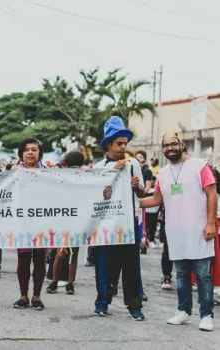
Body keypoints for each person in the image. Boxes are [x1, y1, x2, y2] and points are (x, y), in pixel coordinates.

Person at [140, 131, 216, 331]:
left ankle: (207, 315)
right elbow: (156, 200)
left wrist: (210, 224)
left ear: (181, 144)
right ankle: (183, 311)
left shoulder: (199, 165)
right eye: (166, 145)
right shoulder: (163, 173)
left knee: (203, 275)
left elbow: (211, 193)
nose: (170, 148)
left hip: (199, 229)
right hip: (176, 231)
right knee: (181, 274)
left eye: (173, 143)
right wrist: (132, 203)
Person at [92, 116, 145, 321]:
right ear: (108, 144)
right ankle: (102, 301)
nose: (123, 147)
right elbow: (92, 196)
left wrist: (136, 186)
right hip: (105, 222)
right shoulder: (98, 167)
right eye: (119, 143)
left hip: (129, 221)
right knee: (104, 264)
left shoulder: (133, 164)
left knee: (131, 265)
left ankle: (134, 305)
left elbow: (142, 193)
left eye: (125, 143)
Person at [12, 138, 46, 311]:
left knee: (40, 259)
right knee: (23, 259)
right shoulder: (14, 173)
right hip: (22, 222)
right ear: (21, 154)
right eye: (27, 150)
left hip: (42, 222)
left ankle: (37, 296)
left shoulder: (49, 173)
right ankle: (23, 296)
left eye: (34, 149)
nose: (31, 152)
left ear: (40, 153)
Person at [46, 151, 84, 296]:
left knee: (60, 253)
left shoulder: (62, 176)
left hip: (65, 218)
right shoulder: (84, 176)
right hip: (75, 219)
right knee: (70, 254)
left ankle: (58, 282)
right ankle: (67, 283)